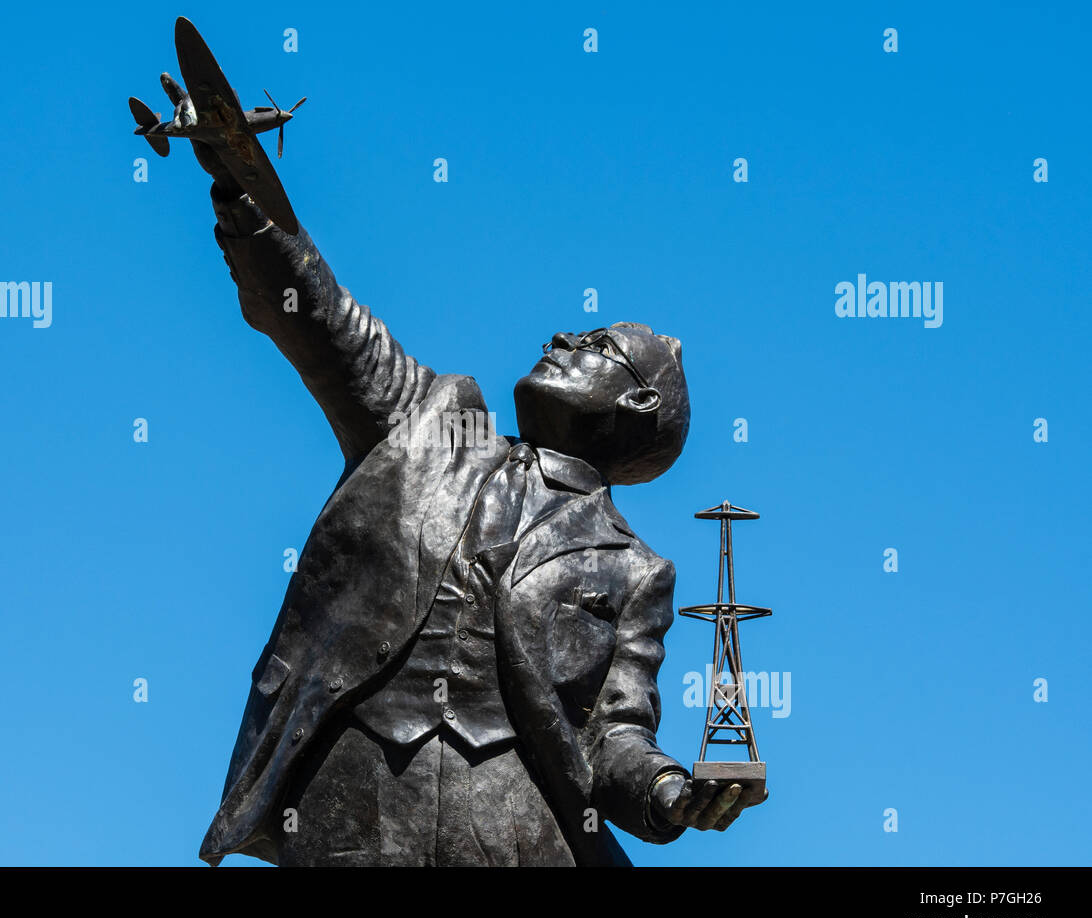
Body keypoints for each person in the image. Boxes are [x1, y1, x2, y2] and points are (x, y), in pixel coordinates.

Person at [165, 82, 765, 866]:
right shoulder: (435, 423)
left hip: (514, 831)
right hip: (353, 805)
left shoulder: (636, 571)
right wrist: (245, 194)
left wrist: (669, 794)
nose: (560, 334)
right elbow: (325, 323)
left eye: (594, 345)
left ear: (637, 401)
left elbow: (615, 733)